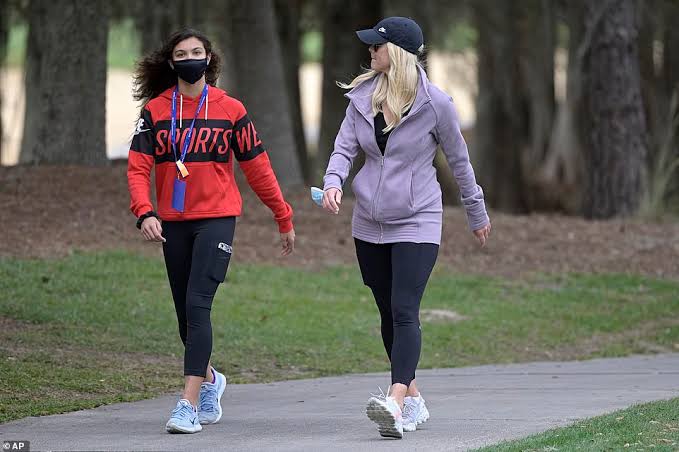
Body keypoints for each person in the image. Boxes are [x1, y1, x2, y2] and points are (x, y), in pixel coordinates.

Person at [321, 17, 491, 439]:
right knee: (386, 311)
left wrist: (476, 211)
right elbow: (344, 146)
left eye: (376, 47)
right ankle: (413, 399)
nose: (370, 52)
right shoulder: (362, 96)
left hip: (418, 219)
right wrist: (332, 182)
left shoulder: (436, 104)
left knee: (404, 308)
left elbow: (459, 161)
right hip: (369, 222)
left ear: (394, 53)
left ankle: (394, 400)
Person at [127, 28, 296, 434]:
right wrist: (144, 211)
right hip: (173, 221)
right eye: (182, 53)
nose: (190, 58)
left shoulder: (230, 109)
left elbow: (258, 168)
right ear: (171, 63)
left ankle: (186, 403)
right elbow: (137, 167)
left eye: (197, 51)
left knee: (198, 303)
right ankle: (211, 379)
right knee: (185, 314)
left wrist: (283, 215)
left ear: (209, 58)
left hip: (217, 218)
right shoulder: (155, 111)